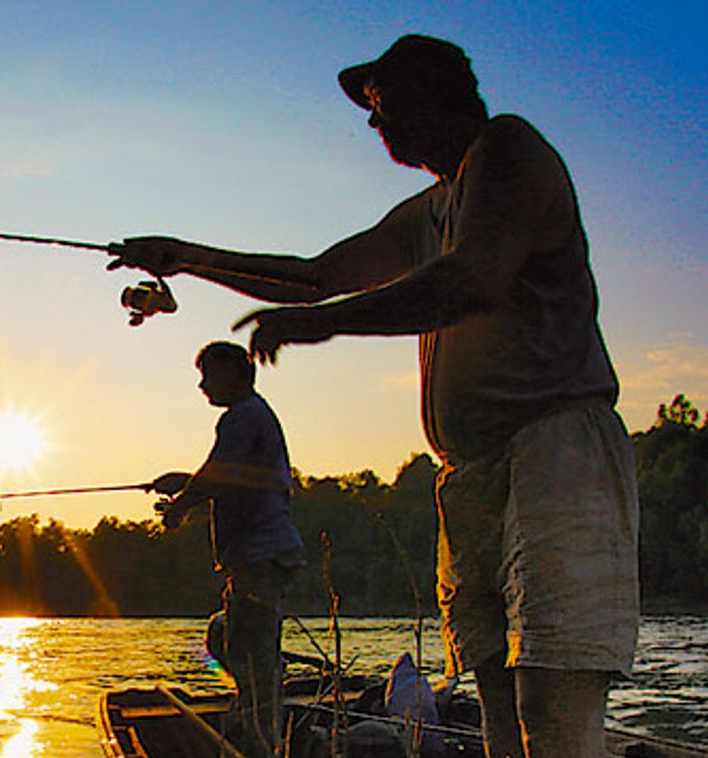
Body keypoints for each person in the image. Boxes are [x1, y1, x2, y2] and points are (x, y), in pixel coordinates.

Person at [109, 34, 639, 758]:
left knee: (553, 684)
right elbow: (316, 275)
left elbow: (470, 279)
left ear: (433, 94)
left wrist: (322, 325)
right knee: (494, 686)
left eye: (381, 103)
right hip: (471, 470)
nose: (371, 123)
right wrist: (187, 258)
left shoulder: (507, 149)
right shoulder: (428, 206)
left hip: (555, 449)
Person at [153, 340, 304, 755]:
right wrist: (184, 483)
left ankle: (257, 746)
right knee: (239, 646)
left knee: (250, 661)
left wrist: (180, 504)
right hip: (267, 557)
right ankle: (259, 736)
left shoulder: (240, 418)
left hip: (258, 557)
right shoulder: (255, 417)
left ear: (237, 374)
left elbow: (218, 475)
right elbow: (234, 478)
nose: (202, 385)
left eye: (209, 375)